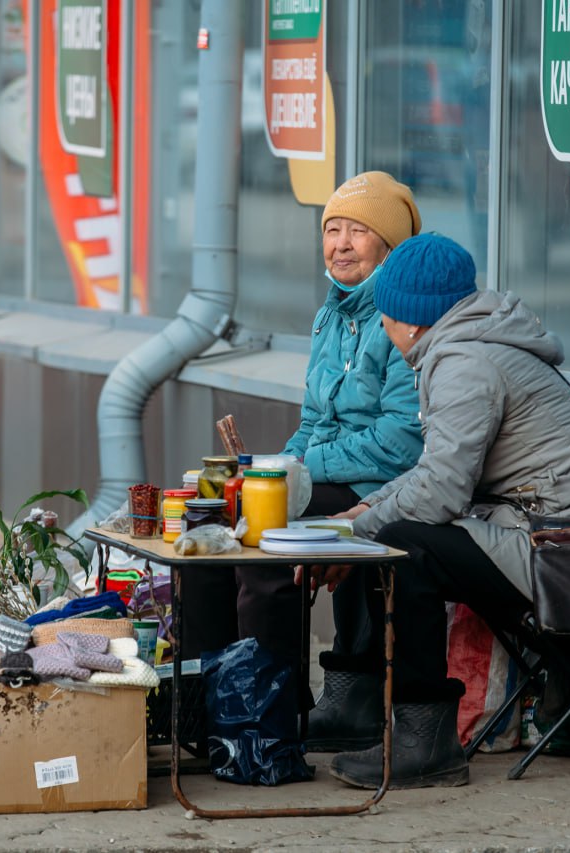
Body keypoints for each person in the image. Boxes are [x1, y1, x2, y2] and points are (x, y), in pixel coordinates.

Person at [308, 232, 570, 789]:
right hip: (560, 542)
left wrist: (353, 531)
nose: (383, 326)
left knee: (408, 546)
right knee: (392, 526)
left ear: (409, 318)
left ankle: (425, 741)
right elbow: (433, 475)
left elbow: (438, 494)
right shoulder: (470, 347)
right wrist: (359, 513)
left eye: (385, 314)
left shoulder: (464, 363)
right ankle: (395, 721)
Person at [181, 172, 425, 749]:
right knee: (209, 522)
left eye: (358, 231)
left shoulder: (404, 319)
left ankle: (272, 718)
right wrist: (270, 469)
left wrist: (302, 468)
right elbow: (313, 423)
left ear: (389, 246)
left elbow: (400, 442)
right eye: (332, 229)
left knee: (267, 545)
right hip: (326, 475)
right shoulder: (331, 315)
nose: (340, 243)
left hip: (380, 486)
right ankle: (207, 708)